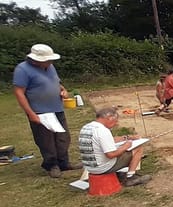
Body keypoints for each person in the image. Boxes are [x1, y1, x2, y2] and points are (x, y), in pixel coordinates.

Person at [13, 43, 82, 178]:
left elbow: (56, 83)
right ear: (36, 59)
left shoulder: (50, 67)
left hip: (57, 108)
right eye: (48, 60)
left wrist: (63, 90)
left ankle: (64, 163)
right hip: (40, 112)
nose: (50, 62)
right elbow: (19, 93)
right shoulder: (22, 70)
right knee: (46, 140)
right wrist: (31, 113)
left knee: (63, 137)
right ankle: (52, 165)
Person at [78, 107, 151, 186]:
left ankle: (118, 174)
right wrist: (125, 147)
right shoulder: (103, 130)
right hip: (102, 168)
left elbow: (110, 140)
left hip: (90, 167)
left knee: (119, 149)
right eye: (115, 121)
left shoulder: (87, 127)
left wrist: (128, 137)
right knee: (138, 148)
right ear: (109, 118)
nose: (116, 123)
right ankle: (130, 177)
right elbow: (111, 155)